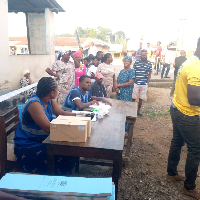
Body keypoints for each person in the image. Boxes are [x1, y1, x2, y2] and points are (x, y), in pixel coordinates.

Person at [14, 77, 77, 175]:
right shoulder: (34, 103)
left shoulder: (49, 100)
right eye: (57, 89)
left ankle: (62, 174)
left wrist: (79, 115)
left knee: (70, 147)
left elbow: (60, 113)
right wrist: (72, 130)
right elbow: (48, 128)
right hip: (29, 144)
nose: (58, 91)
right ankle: (53, 178)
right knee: (64, 150)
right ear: (52, 93)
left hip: (42, 139)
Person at [167, 38, 200, 199]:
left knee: (177, 142)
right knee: (195, 149)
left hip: (177, 107)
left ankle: (171, 173)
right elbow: (194, 99)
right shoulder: (194, 67)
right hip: (188, 113)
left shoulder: (190, 62)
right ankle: (189, 187)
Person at [116, 56, 135, 131]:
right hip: (119, 93)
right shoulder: (121, 71)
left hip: (127, 93)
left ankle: (125, 129)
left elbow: (130, 82)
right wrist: (117, 88)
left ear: (130, 63)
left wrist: (119, 85)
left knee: (125, 110)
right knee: (118, 109)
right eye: (125, 61)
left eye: (127, 61)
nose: (125, 63)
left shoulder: (131, 71)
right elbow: (117, 81)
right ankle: (118, 126)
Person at [132, 50, 152, 116]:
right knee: (133, 98)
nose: (143, 56)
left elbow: (149, 73)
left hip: (144, 84)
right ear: (140, 55)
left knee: (141, 98)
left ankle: (138, 111)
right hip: (136, 83)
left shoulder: (149, 63)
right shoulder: (136, 62)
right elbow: (133, 72)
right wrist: (134, 80)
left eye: (145, 55)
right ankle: (132, 110)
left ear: (146, 55)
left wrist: (147, 82)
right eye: (142, 55)